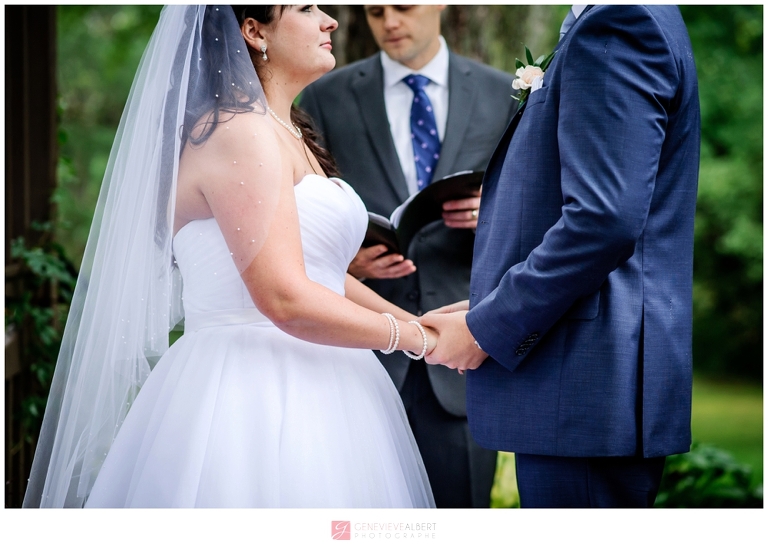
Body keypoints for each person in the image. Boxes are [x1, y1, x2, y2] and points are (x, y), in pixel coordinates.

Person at [23, 5, 436, 508]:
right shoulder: (237, 131)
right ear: (254, 31)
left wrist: (421, 324)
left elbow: (317, 276)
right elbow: (283, 296)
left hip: (331, 377)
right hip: (250, 389)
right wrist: (416, 341)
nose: (329, 20)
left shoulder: (291, 133)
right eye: (306, 8)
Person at [422, 4, 700, 507]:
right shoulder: (627, 19)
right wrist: (489, 302)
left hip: (585, 385)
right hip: (586, 380)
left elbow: (602, 219)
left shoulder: (618, 23)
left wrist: (490, 328)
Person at [300, 5, 515, 508]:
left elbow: (545, 211)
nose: (389, 22)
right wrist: (346, 262)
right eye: (375, 11)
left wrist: (500, 212)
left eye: (403, 6)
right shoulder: (326, 96)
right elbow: (299, 213)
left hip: (462, 354)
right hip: (359, 355)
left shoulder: (503, 91)